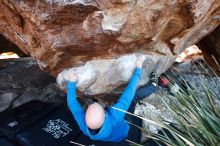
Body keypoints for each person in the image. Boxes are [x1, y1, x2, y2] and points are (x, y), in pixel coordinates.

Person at [67, 56, 157, 142]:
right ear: (105, 114)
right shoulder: (115, 115)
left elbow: (72, 103)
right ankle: (153, 87)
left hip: (112, 137)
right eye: (100, 106)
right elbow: (128, 95)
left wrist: (71, 82)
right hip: (125, 130)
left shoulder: (83, 125)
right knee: (134, 98)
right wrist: (138, 67)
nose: (94, 103)